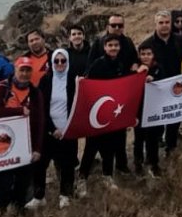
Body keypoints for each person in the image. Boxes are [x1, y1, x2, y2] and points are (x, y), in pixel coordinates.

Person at [0, 58, 45, 212]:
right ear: (15, 69)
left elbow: (40, 121)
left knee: (23, 180)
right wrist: (19, 111)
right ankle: (0, 211)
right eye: (22, 70)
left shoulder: (35, 92)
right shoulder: (2, 88)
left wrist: (37, 148)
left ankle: (18, 209)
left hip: (26, 145)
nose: (24, 74)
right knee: (4, 181)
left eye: (28, 70)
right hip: (4, 145)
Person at [79, 36, 136, 192]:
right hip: (97, 113)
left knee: (110, 146)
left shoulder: (120, 64)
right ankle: (82, 177)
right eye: (110, 45)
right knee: (91, 147)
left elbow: (125, 86)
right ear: (104, 47)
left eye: (116, 45)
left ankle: (107, 175)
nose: (113, 48)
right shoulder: (98, 64)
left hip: (114, 112)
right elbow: (90, 86)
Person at [35, 49, 80, 204]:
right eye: (56, 61)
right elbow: (41, 108)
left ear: (68, 62)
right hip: (49, 131)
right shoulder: (45, 81)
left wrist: (69, 127)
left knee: (68, 163)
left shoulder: (75, 81)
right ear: (51, 63)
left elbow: (79, 104)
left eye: (63, 61)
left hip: (69, 130)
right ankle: (39, 196)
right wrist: (53, 129)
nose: (60, 64)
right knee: (41, 164)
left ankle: (65, 195)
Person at [145, 11, 182, 156]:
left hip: (176, 87)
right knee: (156, 125)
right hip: (157, 90)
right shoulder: (147, 44)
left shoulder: (179, 40)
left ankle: (171, 148)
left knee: (174, 121)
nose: (164, 26)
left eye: (167, 22)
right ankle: (153, 156)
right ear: (155, 24)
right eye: (161, 23)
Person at [132, 43, 164, 175]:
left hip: (154, 108)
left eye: (148, 54)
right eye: (143, 54)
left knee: (153, 138)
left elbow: (165, 83)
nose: (146, 57)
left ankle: (154, 163)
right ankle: (138, 162)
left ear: (153, 55)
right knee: (139, 137)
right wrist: (137, 75)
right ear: (139, 55)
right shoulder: (134, 69)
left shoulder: (158, 68)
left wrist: (154, 79)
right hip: (138, 109)